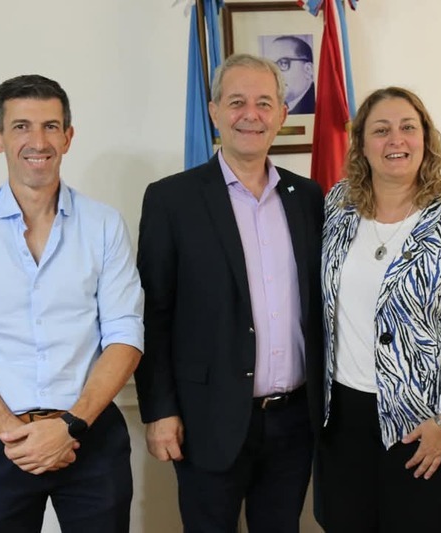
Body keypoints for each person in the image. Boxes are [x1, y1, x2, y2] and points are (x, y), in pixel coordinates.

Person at [0, 74, 144, 532]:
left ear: (68, 136)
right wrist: (15, 432)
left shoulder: (104, 225)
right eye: (21, 126)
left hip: (90, 438)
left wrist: (69, 427)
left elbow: (125, 335)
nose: (37, 141)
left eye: (50, 126)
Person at [134, 53, 324, 533]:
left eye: (264, 102)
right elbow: (153, 314)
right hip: (206, 420)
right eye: (237, 101)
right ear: (215, 111)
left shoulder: (310, 199)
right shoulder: (171, 199)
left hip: (294, 421)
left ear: (282, 114)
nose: (251, 114)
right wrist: (160, 411)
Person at [318, 86, 441, 532]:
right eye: (381, 130)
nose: (395, 140)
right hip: (341, 417)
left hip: (424, 419)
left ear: (426, 139)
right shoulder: (338, 207)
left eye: (407, 128)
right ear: (362, 144)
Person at [266, 35, 315, 115]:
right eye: (271, 66)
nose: (274, 73)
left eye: (283, 63)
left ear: (308, 70)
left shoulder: (320, 107)